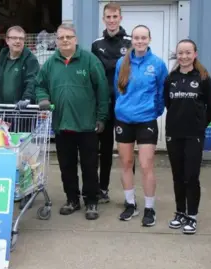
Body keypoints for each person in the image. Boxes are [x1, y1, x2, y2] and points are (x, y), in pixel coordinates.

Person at [36, 23, 110, 220]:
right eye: (61, 38)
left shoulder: (89, 61)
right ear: (57, 41)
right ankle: (72, 199)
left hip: (87, 125)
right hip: (62, 125)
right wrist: (43, 98)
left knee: (89, 165)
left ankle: (91, 201)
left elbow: (102, 89)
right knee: (66, 166)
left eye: (69, 37)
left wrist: (102, 117)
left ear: (75, 39)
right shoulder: (51, 63)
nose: (65, 40)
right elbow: (39, 85)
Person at [113, 25, 168, 226]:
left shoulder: (157, 64)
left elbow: (162, 91)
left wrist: (155, 111)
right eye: (136, 38)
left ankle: (149, 208)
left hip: (146, 120)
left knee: (146, 165)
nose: (140, 41)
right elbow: (117, 89)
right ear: (132, 40)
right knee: (126, 163)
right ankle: (130, 204)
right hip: (124, 119)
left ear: (149, 39)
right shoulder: (122, 62)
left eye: (143, 38)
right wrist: (122, 108)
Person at [164, 39, 211, 234]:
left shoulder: (203, 77)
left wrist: (200, 125)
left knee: (191, 176)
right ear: (176, 55)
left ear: (195, 54)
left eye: (188, 52)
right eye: (180, 53)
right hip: (174, 134)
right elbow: (168, 103)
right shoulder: (171, 78)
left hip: (194, 135)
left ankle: (192, 215)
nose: (184, 56)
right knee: (178, 175)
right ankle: (180, 212)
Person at [0, 25, 40, 208]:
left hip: (23, 114)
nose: (18, 41)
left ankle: (28, 190)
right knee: (7, 153)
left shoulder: (30, 59)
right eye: (14, 38)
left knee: (25, 155)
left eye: (21, 38)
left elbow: (32, 80)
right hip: (4, 114)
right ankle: (11, 186)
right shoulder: (2, 58)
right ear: (7, 40)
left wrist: (27, 99)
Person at [91, 2, 133, 203]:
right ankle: (103, 189)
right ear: (104, 18)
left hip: (125, 104)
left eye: (115, 16)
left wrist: (110, 63)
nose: (112, 20)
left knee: (126, 151)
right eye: (108, 17)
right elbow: (95, 73)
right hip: (105, 104)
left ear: (120, 18)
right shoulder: (96, 44)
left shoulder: (131, 41)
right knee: (105, 149)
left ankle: (129, 194)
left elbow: (133, 70)